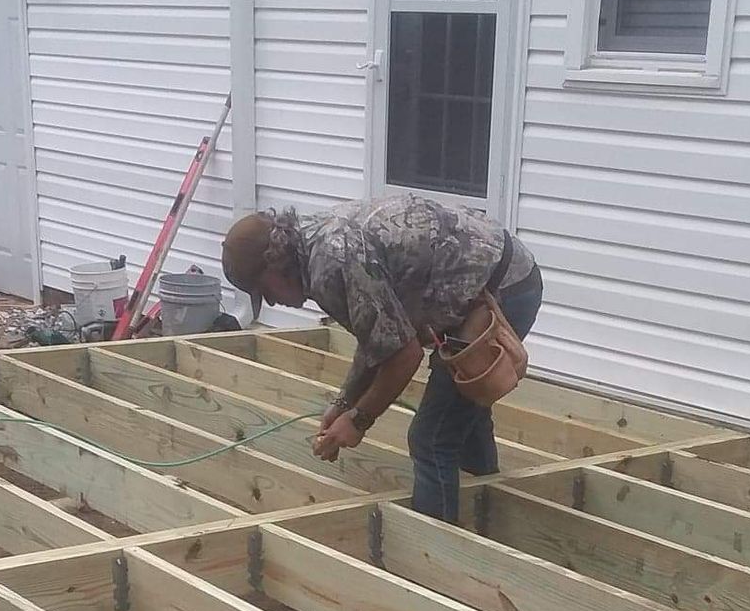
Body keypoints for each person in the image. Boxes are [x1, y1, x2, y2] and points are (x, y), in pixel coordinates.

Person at [220, 194, 543, 523]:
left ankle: (437, 557)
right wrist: (344, 402)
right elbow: (377, 337)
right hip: (470, 291)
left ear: (273, 267)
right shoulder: (310, 245)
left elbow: (405, 355)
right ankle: (484, 510)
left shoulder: (332, 263)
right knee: (460, 413)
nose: (272, 303)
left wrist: (360, 419)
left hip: (504, 288)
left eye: (265, 291)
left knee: (430, 438)